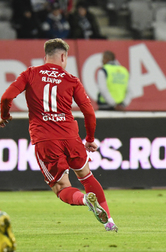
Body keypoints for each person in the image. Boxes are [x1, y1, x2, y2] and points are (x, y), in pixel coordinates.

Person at [0, 38, 117, 232]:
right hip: (71, 138)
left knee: (61, 187)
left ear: (45, 56)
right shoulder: (71, 79)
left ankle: (84, 200)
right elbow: (89, 113)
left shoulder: (30, 74)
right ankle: (109, 222)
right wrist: (89, 139)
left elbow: (6, 97)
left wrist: (4, 116)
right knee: (86, 176)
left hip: (45, 139)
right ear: (63, 56)